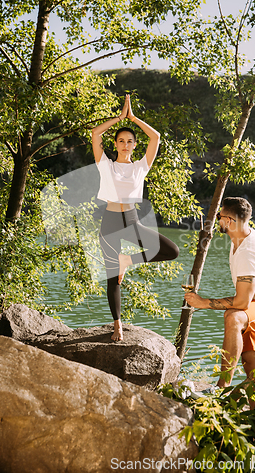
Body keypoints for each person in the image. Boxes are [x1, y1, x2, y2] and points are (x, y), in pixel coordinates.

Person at [92, 94, 179, 341]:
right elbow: (95, 134)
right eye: (121, 141)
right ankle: (117, 325)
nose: (125, 145)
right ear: (116, 144)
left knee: (171, 251)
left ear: (134, 145)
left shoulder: (141, 166)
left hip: (131, 222)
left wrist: (133, 118)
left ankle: (127, 261)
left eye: (130, 141)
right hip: (109, 223)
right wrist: (118, 118)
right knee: (112, 278)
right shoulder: (105, 165)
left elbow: (156, 137)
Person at [184, 197, 255, 396]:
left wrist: (204, 303)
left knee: (233, 316)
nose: (216, 220)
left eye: (219, 216)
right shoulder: (240, 238)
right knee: (252, 365)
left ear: (229, 221)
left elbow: (241, 302)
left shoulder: (249, 250)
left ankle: (222, 388)